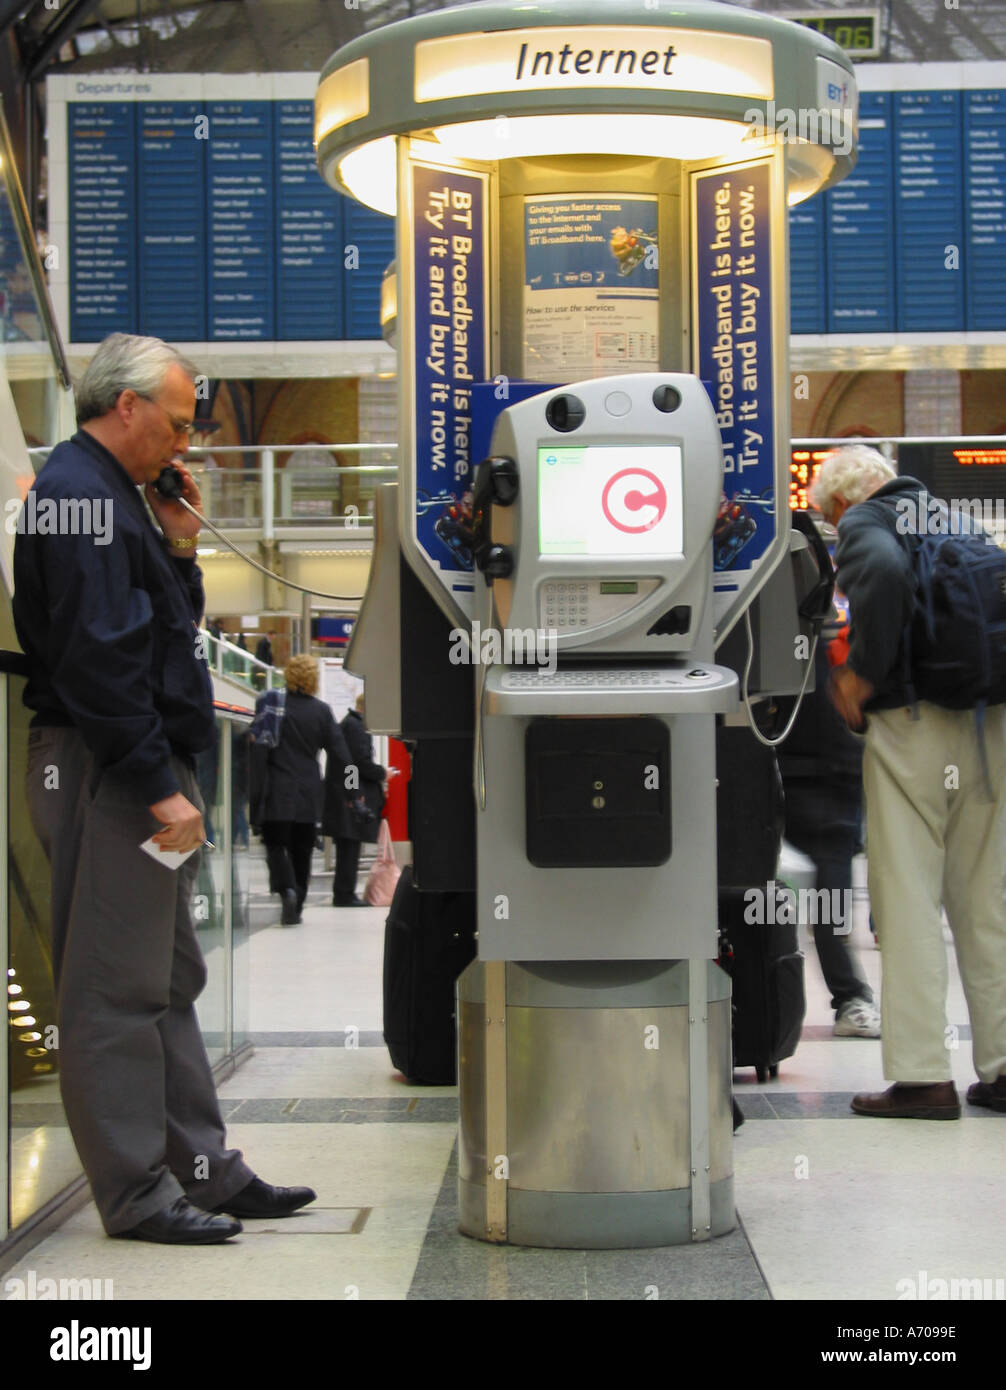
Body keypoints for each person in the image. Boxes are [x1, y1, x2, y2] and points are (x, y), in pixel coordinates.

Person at [12, 332, 316, 1244]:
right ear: (128, 405)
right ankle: (138, 1192)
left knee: (170, 975)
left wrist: (180, 548)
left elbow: (154, 634)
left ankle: (201, 1169)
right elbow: (99, 660)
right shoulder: (74, 496)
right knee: (114, 990)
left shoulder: (117, 499)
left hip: (147, 774)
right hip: (114, 777)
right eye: (178, 425)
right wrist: (156, 785)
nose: (184, 445)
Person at [810, 444, 1006, 1119]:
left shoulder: (869, 523)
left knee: (907, 897)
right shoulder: (956, 519)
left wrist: (863, 670)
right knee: (985, 899)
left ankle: (924, 1076)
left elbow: (886, 575)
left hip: (912, 724)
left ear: (843, 501)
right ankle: (1003, 1067)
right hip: (987, 724)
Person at [776, 628, 880, 1037]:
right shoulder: (813, 634)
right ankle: (848, 998)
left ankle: (851, 997)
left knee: (828, 903)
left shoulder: (822, 637)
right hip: (802, 776)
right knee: (818, 904)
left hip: (821, 781)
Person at [249, 653, 351, 924]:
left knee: (275, 845)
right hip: (308, 792)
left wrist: (254, 799)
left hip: (276, 792)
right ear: (314, 679)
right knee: (302, 850)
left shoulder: (270, 704)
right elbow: (341, 755)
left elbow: (258, 753)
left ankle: (286, 889)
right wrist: (352, 791)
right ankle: (298, 901)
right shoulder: (321, 711)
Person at [324, 693, 386, 907]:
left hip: (344, 793)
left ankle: (344, 892)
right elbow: (358, 764)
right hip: (349, 795)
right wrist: (382, 773)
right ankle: (344, 893)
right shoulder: (357, 727)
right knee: (349, 845)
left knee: (348, 845)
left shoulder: (349, 724)